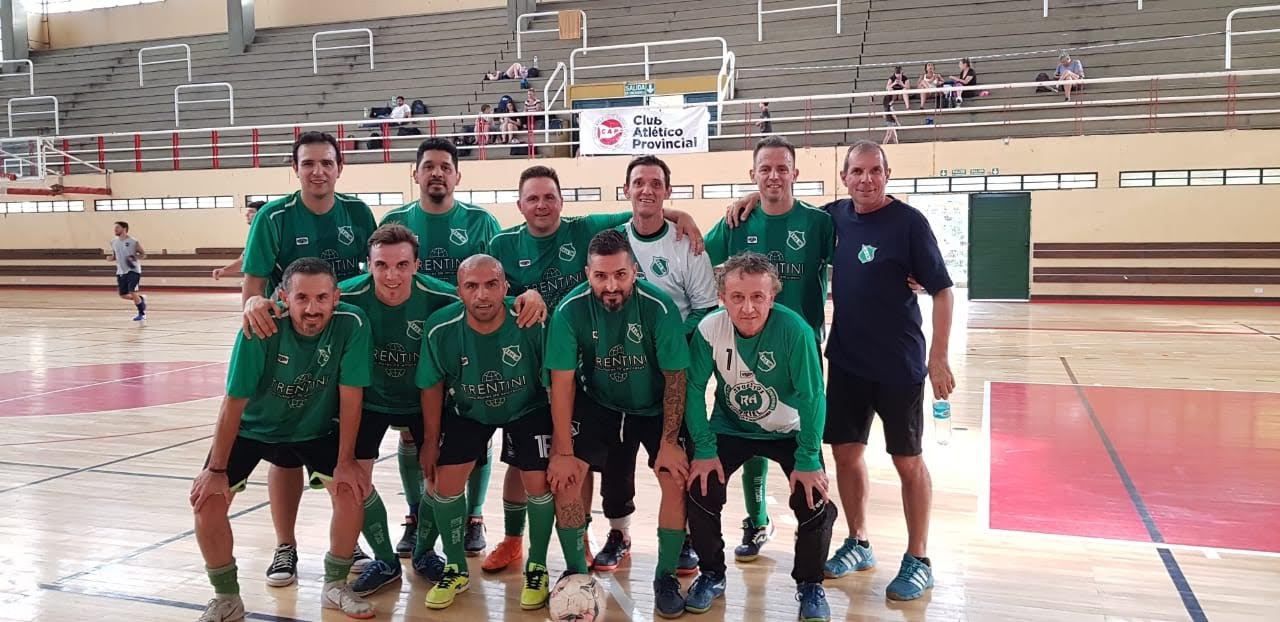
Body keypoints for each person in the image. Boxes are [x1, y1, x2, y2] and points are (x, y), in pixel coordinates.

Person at [379, 137, 546, 573]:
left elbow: (501, 278)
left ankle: (474, 517)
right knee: (414, 437)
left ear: (457, 175)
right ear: (415, 174)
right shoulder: (396, 221)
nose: (437, 173)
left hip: (476, 342)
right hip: (417, 346)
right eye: (428, 166)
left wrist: (528, 293)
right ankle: (416, 514)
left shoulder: (480, 221)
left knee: (479, 432)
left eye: (445, 167)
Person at [189, 257, 375, 622]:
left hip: (314, 428)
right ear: (284, 297)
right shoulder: (261, 326)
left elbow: (352, 395)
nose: (312, 308)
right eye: (301, 298)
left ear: (336, 297)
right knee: (207, 501)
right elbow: (233, 402)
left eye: (321, 298)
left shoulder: (352, 323)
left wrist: (346, 461)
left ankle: (335, 585)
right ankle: (227, 598)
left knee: (352, 490)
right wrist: (215, 469)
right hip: (253, 429)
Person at [238, 131, 377, 588]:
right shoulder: (273, 217)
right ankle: (285, 545)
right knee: (284, 456)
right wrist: (253, 309)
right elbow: (253, 286)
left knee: (345, 452)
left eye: (326, 163)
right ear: (295, 169)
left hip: (340, 348)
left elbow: (374, 276)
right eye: (308, 163)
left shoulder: (358, 213)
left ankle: (347, 543)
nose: (318, 171)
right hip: (288, 351)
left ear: (340, 168)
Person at [819, 140, 955, 602]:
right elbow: (784, 209)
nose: (866, 179)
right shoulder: (834, 217)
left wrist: (939, 357)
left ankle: (919, 559)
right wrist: (747, 199)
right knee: (846, 455)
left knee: (907, 460)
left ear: (887, 174)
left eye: (874, 170)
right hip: (847, 362)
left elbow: (942, 291)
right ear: (844, 177)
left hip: (899, 365)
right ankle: (858, 542)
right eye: (857, 171)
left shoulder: (909, 223)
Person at [544, 229, 692, 618]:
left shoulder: (658, 307)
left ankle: (665, 575)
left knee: (674, 475)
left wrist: (670, 441)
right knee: (565, 478)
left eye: (620, 275)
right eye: (601, 276)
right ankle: (576, 573)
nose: (611, 286)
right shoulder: (570, 310)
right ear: (587, 274)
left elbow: (676, 378)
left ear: (635, 271)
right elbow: (561, 383)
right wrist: (563, 451)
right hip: (601, 403)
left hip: (655, 404)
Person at [683, 252, 835, 621]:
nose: (747, 308)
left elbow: (813, 397)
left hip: (789, 429)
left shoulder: (795, 331)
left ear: (772, 296)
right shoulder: (710, 329)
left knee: (813, 499)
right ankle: (712, 575)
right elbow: (693, 389)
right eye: (737, 297)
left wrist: (808, 458)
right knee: (701, 489)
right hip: (731, 426)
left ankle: (810, 584)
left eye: (757, 297)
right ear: (722, 297)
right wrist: (703, 448)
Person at [704, 136, 834, 564]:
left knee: (799, 431)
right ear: (753, 174)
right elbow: (694, 251)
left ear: (795, 173)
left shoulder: (818, 223)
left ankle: (814, 527)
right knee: (747, 422)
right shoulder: (737, 223)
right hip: (745, 346)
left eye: (781, 168)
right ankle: (757, 519)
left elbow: (860, 251)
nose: (774, 176)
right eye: (765, 169)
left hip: (798, 350)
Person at [416, 254, 556, 611]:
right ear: (459, 291)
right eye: (472, 286)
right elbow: (431, 385)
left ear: (505, 287)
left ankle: (537, 566)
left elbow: (555, 379)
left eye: (491, 284)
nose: (482, 295)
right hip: (468, 412)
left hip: (527, 408)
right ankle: (456, 567)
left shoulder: (529, 320)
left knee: (538, 482)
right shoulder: (440, 328)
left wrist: (562, 443)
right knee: (445, 483)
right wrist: (430, 441)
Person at [600, 155, 717, 575]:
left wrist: (665, 341)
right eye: (638, 183)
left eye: (655, 183)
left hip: (669, 375)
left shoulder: (686, 244)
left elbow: (706, 308)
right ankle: (619, 534)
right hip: (617, 373)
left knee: (674, 463)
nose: (646, 190)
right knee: (615, 464)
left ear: (667, 191)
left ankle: (682, 537)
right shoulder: (611, 239)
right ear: (626, 190)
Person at [336, 224, 464, 597]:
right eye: (381, 265)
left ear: (416, 266)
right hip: (369, 401)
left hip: (425, 401)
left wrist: (528, 298)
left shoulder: (440, 297)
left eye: (402, 265)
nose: (392, 275)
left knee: (438, 478)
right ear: (368, 264)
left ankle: (424, 553)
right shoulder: (346, 295)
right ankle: (385, 561)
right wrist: (259, 303)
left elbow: (488, 300)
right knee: (353, 482)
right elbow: (298, 301)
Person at [212, 201, 265, 281]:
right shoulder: (254, 234)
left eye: (251, 212)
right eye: (247, 212)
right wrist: (224, 270)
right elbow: (243, 260)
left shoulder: (266, 234)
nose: (246, 214)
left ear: (261, 214)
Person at [108, 221, 147, 321]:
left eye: (117, 227)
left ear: (124, 229)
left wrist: (134, 257)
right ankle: (140, 299)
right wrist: (111, 258)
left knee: (132, 291)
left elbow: (143, 254)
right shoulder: (113, 242)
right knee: (123, 295)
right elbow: (115, 256)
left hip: (133, 270)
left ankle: (142, 314)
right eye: (115, 227)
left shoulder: (133, 241)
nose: (115, 229)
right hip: (121, 271)